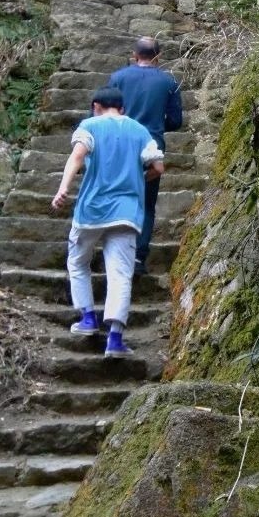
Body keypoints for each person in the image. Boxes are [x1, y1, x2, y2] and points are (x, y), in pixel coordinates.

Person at [51, 87, 164, 357]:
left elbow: (78, 156)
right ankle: (115, 339)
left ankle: (88, 318)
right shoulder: (139, 131)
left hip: (92, 208)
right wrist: (138, 180)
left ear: (96, 106)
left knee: (78, 262)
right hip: (127, 211)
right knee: (120, 274)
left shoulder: (90, 126)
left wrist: (63, 188)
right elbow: (158, 167)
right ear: (122, 109)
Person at [106, 37, 183, 276]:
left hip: (119, 143)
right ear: (158, 57)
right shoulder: (169, 82)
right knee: (146, 204)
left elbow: (104, 112)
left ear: (134, 55)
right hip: (151, 145)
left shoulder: (118, 78)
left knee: (116, 195)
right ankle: (138, 257)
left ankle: (114, 252)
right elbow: (176, 121)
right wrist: (157, 125)